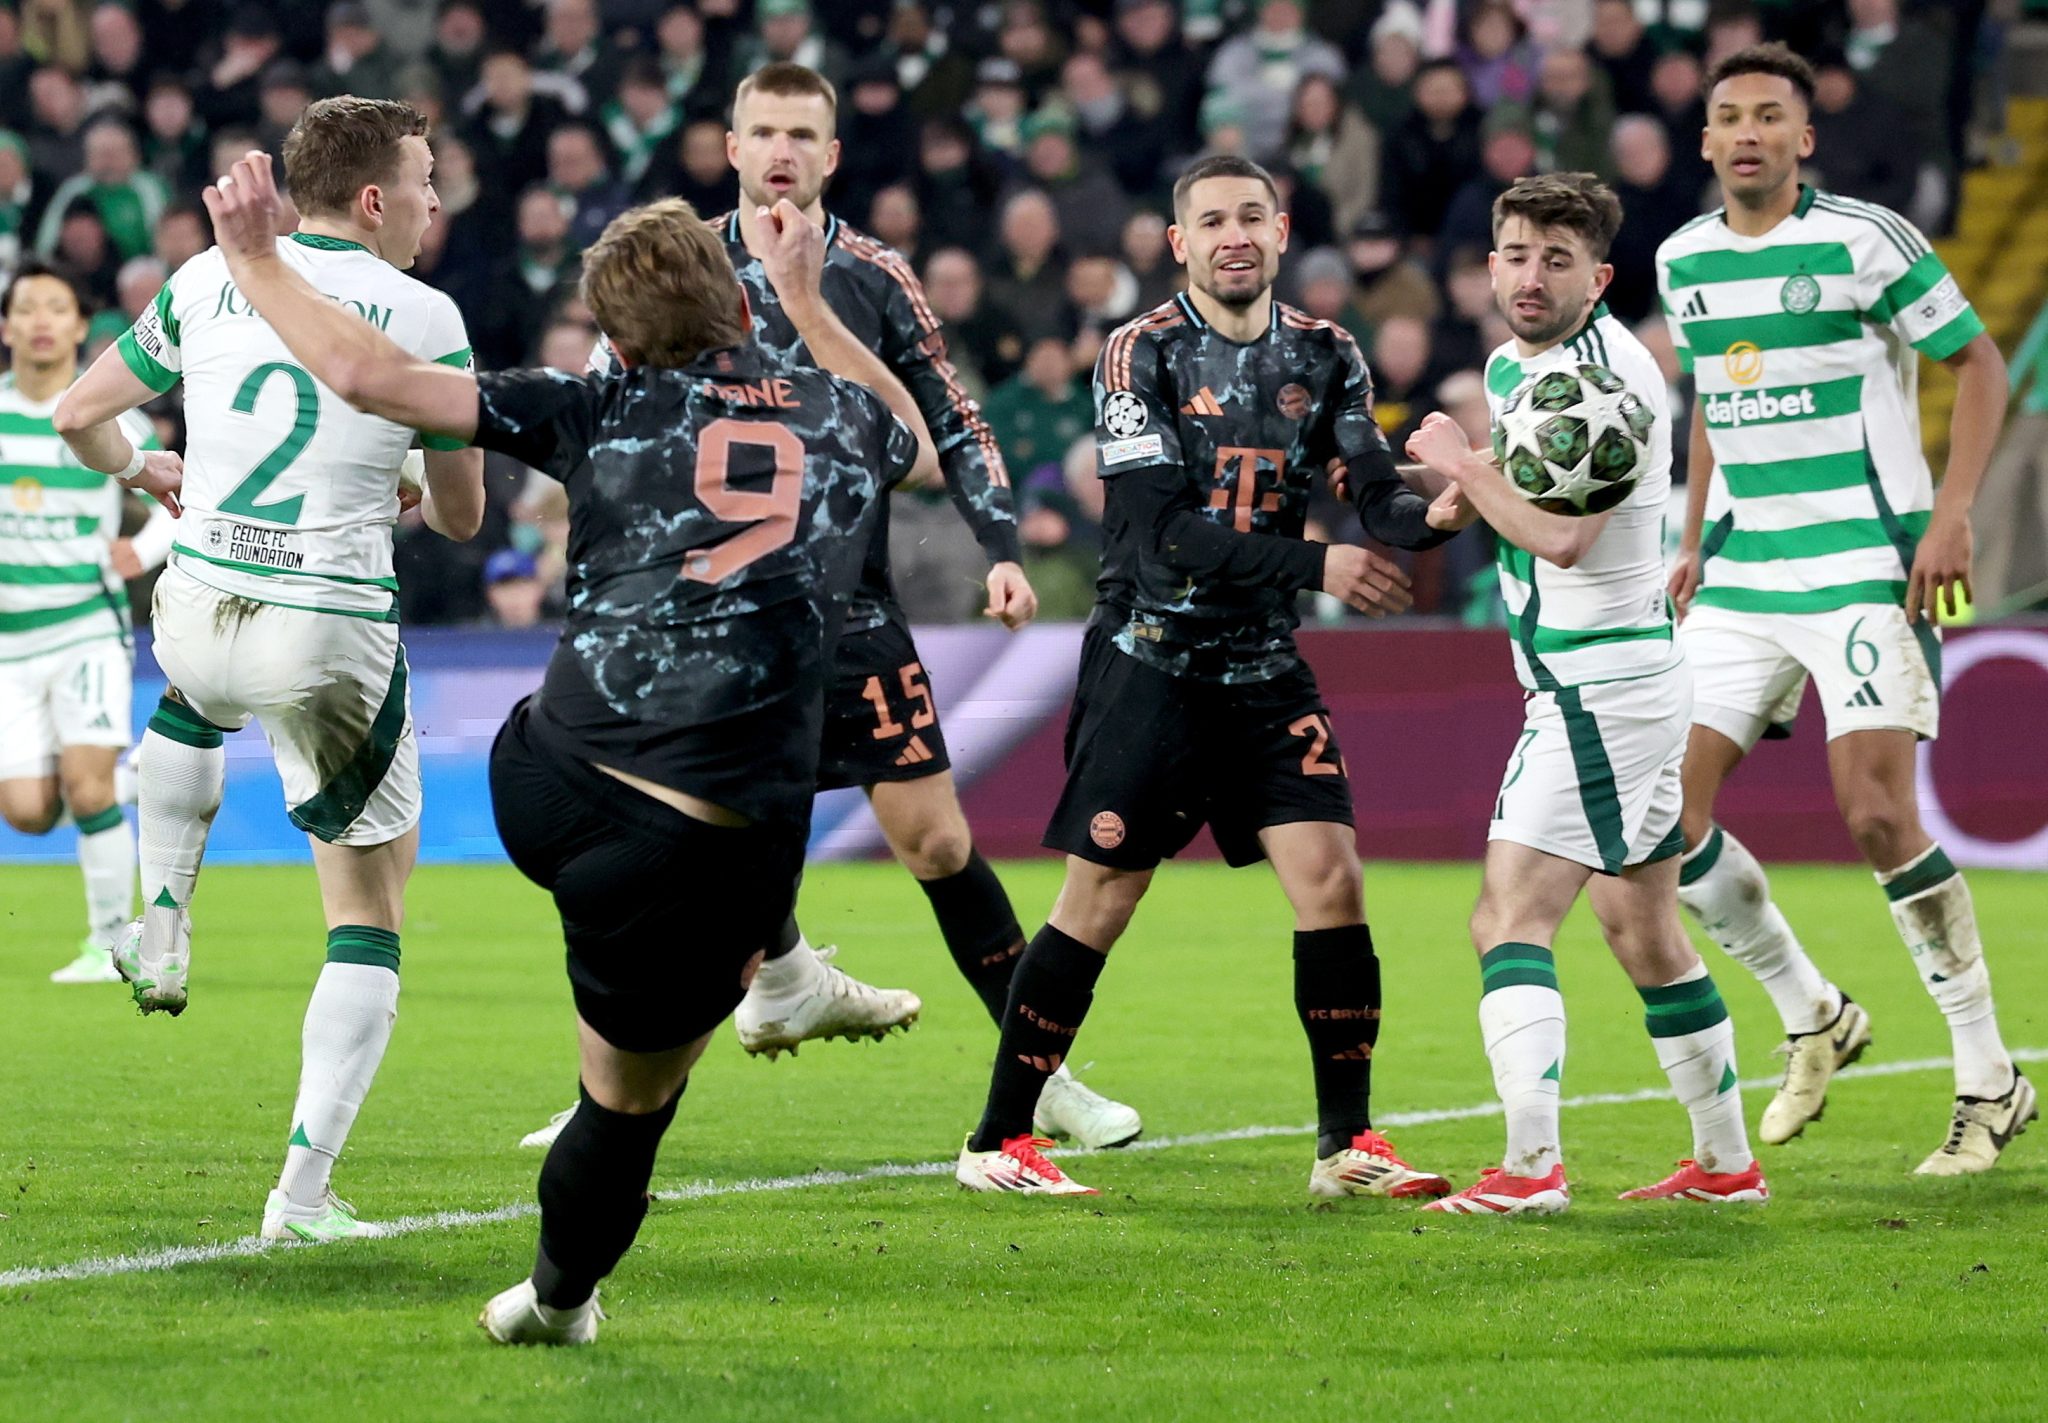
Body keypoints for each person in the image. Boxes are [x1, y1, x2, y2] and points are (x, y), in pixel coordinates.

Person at [202, 150, 923, 1346]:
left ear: (614, 342)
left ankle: (777, 977)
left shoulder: (592, 405)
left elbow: (365, 373)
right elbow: (920, 442)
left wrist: (254, 257)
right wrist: (807, 303)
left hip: (545, 778)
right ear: (738, 305)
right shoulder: (840, 416)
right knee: (628, 1104)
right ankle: (556, 1298)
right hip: (698, 846)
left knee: (623, 964)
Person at [519, 61, 1143, 1157]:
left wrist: (1001, 548)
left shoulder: (875, 274)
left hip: (850, 608)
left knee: (937, 840)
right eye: (763, 131)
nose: (781, 151)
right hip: (716, 620)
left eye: (802, 134)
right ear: (730, 147)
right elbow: (616, 410)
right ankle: (615, 1091)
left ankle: (1040, 1082)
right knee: (697, 854)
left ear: (831, 154)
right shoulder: (683, 267)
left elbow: (950, 420)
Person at [953, 156, 1456, 1202]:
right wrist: (1316, 565)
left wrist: (1435, 515)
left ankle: (1346, 1146)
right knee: (1101, 896)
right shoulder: (1138, 352)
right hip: (1152, 661)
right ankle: (997, 1140)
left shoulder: (1326, 352)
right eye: (1212, 220)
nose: (1235, 235)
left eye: (1251, 217)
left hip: (1263, 667)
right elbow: (1165, 534)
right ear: (1179, 243)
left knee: (1332, 879)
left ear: (1281, 232)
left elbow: (1371, 488)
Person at [54, 97, 487, 1243]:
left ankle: (162, 922)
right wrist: (405, 481)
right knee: (369, 908)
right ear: (377, 198)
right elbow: (460, 517)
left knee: (195, 693)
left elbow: (78, 415)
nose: (435, 202)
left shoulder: (205, 277)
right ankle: (300, 1194)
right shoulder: (427, 315)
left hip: (197, 604)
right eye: (426, 181)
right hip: (329, 626)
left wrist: (142, 466)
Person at [1659, 45, 2033, 1174]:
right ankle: (1813, 1012)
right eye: (1729, 116)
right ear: (1705, 140)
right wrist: (1690, 537)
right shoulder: (1683, 259)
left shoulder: (1869, 239)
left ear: (1803, 139)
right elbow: (1712, 400)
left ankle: (1989, 1077)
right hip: (1742, 574)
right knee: (1657, 816)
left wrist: (1951, 514)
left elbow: (1979, 366)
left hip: (1866, 562)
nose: (1747, 133)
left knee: (1873, 813)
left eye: (1769, 116)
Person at [1406, 174, 1766, 1214]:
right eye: (1516, 255)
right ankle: (1725, 1164)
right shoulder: (1516, 363)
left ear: (1597, 278)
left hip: (1594, 687)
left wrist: (1462, 467)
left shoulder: (1608, 380)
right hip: (1628, 678)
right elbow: (1536, 480)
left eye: (1556, 260)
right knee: (1642, 930)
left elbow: (1563, 539)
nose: (1532, 276)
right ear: (1489, 266)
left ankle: (1529, 1169)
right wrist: (1461, 492)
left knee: (1506, 916)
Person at [0, 259, 169, 983]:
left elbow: (178, 497)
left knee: (87, 789)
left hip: (86, 629)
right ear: (7, 326)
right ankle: (146, 782)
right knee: (27, 812)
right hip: (10, 644)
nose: (40, 320)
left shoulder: (110, 415)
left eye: (56, 307)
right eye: (26, 307)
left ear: (78, 327)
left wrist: (142, 550)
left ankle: (107, 946)